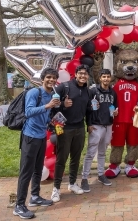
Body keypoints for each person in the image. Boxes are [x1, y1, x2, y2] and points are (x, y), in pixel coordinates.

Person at [14, 68, 60, 219]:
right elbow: (28, 112)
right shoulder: (34, 93)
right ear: (42, 79)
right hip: (30, 136)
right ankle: (19, 205)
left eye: (54, 78)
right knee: (26, 171)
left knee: (37, 169)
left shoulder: (50, 95)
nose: (51, 80)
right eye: (48, 77)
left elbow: (43, 116)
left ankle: (35, 196)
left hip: (41, 136)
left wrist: (51, 121)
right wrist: (48, 106)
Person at [51, 64, 92, 202]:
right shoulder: (65, 86)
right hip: (64, 128)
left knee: (76, 157)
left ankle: (72, 183)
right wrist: (63, 104)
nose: (83, 76)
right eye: (80, 73)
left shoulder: (87, 91)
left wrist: (89, 124)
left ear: (88, 76)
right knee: (61, 158)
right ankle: (56, 188)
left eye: (85, 74)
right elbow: (51, 103)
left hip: (79, 128)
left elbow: (88, 110)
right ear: (75, 74)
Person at [81, 69, 118, 192]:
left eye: (108, 76)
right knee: (91, 152)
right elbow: (87, 108)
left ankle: (101, 174)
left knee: (102, 152)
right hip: (96, 125)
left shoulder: (113, 93)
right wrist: (89, 123)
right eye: (104, 77)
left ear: (110, 78)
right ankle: (84, 178)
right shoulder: (93, 91)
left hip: (108, 125)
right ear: (100, 78)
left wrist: (115, 112)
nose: (106, 79)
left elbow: (115, 107)